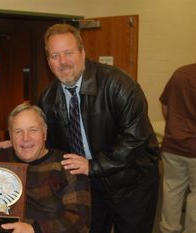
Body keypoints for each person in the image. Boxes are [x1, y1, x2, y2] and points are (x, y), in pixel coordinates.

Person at [37, 23, 160, 233]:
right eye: (55, 56)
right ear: (48, 61)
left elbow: (136, 140)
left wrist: (93, 166)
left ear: (83, 53)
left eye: (68, 53)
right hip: (89, 188)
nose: (63, 62)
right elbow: (50, 145)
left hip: (132, 185)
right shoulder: (48, 100)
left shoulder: (119, 84)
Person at [0, 103, 91, 233]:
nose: (25, 138)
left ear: (45, 133)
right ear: (10, 136)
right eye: (18, 131)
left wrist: (34, 230)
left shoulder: (67, 165)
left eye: (33, 130)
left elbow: (80, 221)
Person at [159, 63, 196, 233]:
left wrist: (176, 127)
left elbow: (166, 107)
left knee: (172, 189)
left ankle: (168, 229)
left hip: (173, 145)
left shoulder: (180, 73)